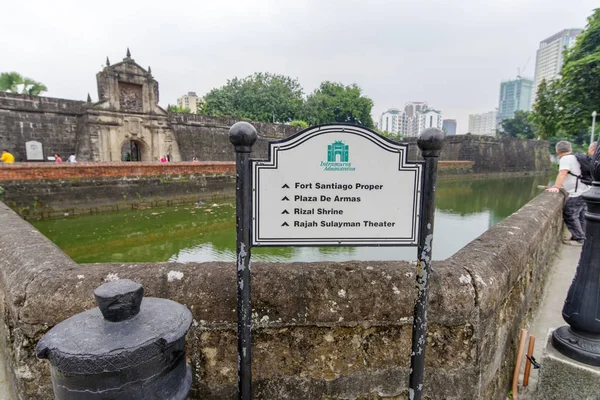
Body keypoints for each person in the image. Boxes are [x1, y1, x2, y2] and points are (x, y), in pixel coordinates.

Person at [546, 141, 589, 245]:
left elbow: (562, 173)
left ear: (557, 151)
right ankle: (582, 237)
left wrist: (557, 186)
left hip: (577, 193)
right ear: (570, 149)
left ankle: (579, 239)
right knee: (581, 215)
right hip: (586, 190)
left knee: (570, 214)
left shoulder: (565, 159)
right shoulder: (576, 157)